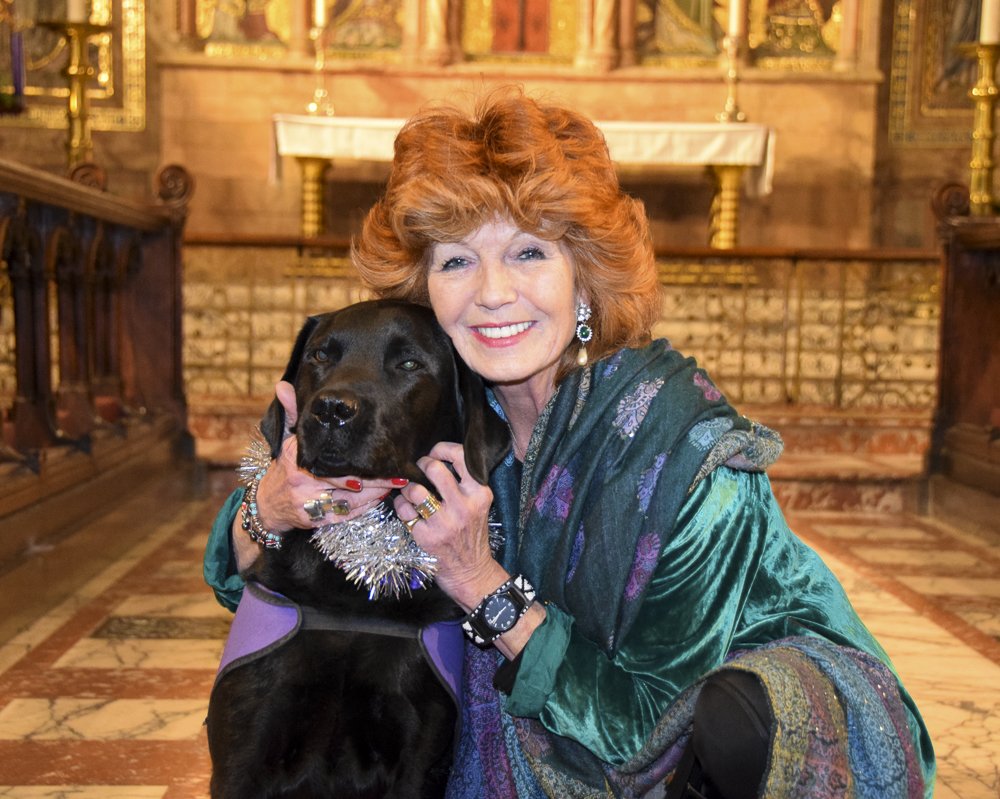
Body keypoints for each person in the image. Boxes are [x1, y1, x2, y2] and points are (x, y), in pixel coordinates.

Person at [204, 88, 935, 798]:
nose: (492, 292)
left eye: (528, 253)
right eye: (457, 260)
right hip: (546, 720)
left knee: (736, 725)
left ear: (584, 278)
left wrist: (479, 581)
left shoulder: (683, 456)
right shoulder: (453, 408)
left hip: (727, 737)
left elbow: (649, 729)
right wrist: (271, 506)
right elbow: (240, 580)